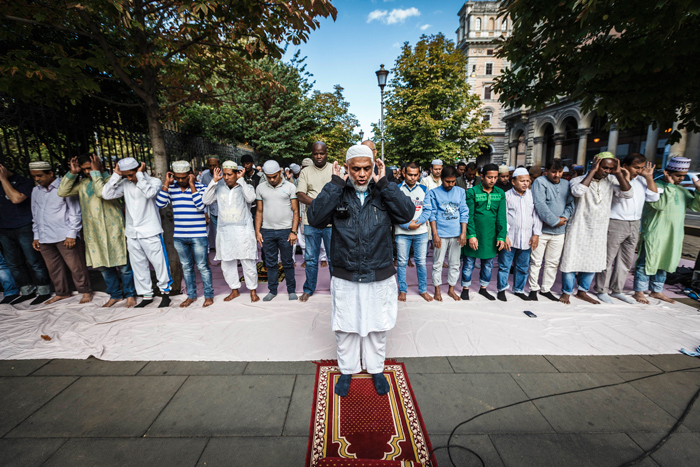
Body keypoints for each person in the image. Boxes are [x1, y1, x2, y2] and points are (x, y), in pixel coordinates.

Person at [307, 145, 414, 397]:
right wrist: (334, 184)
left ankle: (376, 368)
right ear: (347, 169)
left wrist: (385, 184)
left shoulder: (384, 191)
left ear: (374, 167)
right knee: (346, 325)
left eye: (367, 168)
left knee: (377, 325)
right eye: (356, 169)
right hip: (346, 273)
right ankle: (347, 370)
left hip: (379, 272)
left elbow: (406, 214)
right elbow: (315, 218)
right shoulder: (337, 191)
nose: (362, 174)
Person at [59, 153, 136, 308]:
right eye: (85, 169)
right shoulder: (82, 184)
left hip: (114, 229)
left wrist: (96, 173)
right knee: (103, 267)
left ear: (99, 164)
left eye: (90, 168)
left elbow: (101, 192)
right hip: (93, 232)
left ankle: (130, 295)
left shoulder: (112, 180)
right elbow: (62, 192)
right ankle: (115, 294)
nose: (88, 172)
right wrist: (73, 172)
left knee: (124, 266)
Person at [558, 153, 632, 304]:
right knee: (570, 259)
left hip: (599, 229)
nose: (607, 171)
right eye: (604, 167)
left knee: (593, 261)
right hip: (578, 226)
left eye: (611, 169)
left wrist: (618, 173)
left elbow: (628, 194)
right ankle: (566, 291)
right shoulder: (577, 180)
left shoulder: (611, 181)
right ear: (595, 165)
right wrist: (591, 172)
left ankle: (582, 291)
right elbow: (578, 192)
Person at [102, 157, 172, 308]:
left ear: (138, 169)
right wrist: (116, 175)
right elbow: (106, 194)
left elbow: (149, 194)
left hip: (150, 231)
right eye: (125, 175)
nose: (128, 178)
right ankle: (147, 295)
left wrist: (139, 176)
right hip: (132, 232)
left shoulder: (153, 182)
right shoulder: (125, 183)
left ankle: (165, 294)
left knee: (159, 264)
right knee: (138, 265)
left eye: (130, 174)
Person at [633, 156, 700, 304]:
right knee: (647, 261)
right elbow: (659, 206)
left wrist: (699, 190)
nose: (681, 179)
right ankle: (639, 291)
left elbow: (696, 207)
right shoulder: (654, 186)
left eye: (683, 176)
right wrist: (669, 186)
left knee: (665, 261)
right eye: (678, 176)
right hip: (655, 232)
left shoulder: (682, 190)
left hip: (673, 234)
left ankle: (656, 291)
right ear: (667, 173)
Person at [594, 155, 659, 304]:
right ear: (624, 165)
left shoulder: (642, 180)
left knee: (626, 260)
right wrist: (626, 176)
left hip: (635, 223)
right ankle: (602, 290)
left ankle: (617, 290)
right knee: (608, 259)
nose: (640, 170)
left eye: (642, 167)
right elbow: (624, 194)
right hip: (615, 222)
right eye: (636, 167)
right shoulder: (614, 180)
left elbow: (654, 198)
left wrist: (648, 177)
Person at [29, 161, 93, 305]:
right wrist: (36, 236)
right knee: (53, 268)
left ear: (50, 173)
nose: (37, 179)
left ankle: (85, 291)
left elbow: (75, 212)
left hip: (64, 235)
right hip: (44, 236)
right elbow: (35, 214)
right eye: (34, 177)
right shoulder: (36, 191)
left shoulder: (65, 187)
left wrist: (72, 234)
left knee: (76, 266)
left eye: (39, 175)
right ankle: (62, 292)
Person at [156, 160, 214, 308]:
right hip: (179, 236)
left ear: (190, 174)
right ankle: (191, 296)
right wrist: (166, 184)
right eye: (178, 177)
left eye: (184, 177)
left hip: (198, 235)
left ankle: (208, 295)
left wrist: (192, 185)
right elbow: (160, 204)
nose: (180, 180)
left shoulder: (201, 187)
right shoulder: (172, 188)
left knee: (202, 266)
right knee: (187, 267)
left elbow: (200, 206)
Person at [203, 161, 260, 302]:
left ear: (236, 174)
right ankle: (234, 290)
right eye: (224, 174)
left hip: (243, 231)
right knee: (227, 263)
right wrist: (214, 181)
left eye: (230, 174)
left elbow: (251, 198)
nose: (226, 177)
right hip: (225, 233)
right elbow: (206, 200)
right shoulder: (219, 188)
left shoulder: (247, 187)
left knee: (248, 262)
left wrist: (242, 181)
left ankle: (253, 290)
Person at [0, 162, 51, 305]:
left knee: (34, 260)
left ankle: (44, 290)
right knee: (14, 263)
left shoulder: (24, 182)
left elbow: (16, 199)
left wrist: (3, 179)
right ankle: (27, 291)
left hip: (24, 226)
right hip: (4, 228)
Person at [528, 159, 575, 301]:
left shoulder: (566, 184)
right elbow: (539, 205)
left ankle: (545, 289)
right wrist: (555, 221)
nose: (557, 175)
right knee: (536, 262)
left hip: (559, 232)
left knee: (552, 263)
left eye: (560, 172)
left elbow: (571, 204)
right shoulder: (540, 182)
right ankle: (533, 289)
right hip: (541, 231)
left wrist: (564, 218)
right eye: (553, 171)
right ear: (546, 171)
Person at [461, 163, 507, 301]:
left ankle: (483, 288)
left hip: (491, 235)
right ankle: (465, 288)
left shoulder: (500, 193)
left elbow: (502, 217)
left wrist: (501, 236)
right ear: (481, 176)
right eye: (489, 177)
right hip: (475, 234)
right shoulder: (472, 192)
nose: (492, 180)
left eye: (495, 177)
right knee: (468, 263)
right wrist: (471, 235)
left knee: (487, 265)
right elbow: (469, 215)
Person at [255, 160, 300, 301]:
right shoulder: (261, 188)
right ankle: (272, 290)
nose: (272, 179)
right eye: (269, 177)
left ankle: (291, 290)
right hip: (267, 231)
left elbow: (295, 210)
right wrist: (257, 232)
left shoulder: (290, 187)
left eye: (274, 176)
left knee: (287, 262)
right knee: (270, 263)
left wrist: (293, 232)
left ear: (280, 172)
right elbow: (259, 212)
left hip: (286, 231)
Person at [497, 168, 542, 301]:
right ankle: (502, 289)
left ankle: (519, 289)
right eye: (522, 181)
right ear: (513, 181)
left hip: (527, 238)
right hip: (510, 238)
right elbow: (502, 217)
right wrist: (504, 235)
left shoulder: (532, 196)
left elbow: (536, 216)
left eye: (527, 181)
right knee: (504, 265)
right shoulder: (506, 196)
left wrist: (536, 234)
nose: (525, 183)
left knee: (523, 267)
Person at [296, 142, 333, 302]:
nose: (319, 156)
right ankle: (309, 289)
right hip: (311, 222)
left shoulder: (334, 169)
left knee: (333, 258)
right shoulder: (306, 172)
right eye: (316, 154)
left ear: (326, 153)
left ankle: (337, 289)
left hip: (332, 222)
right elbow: (300, 195)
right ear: (312, 154)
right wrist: (321, 203)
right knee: (311, 258)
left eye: (322, 153)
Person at [426, 165, 469, 301]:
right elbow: (432, 215)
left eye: (453, 181)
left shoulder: (461, 192)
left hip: (456, 234)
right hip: (441, 234)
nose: (450, 184)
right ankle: (437, 289)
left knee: (455, 263)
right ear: (441, 179)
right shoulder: (433, 193)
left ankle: (451, 289)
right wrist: (435, 235)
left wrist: (463, 233)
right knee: (437, 263)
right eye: (447, 181)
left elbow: (464, 212)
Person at [395, 162, 433, 302]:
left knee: (421, 262)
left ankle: (423, 290)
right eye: (409, 174)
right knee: (401, 262)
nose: (412, 178)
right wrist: (406, 225)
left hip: (420, 232)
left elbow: (428, 210)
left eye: (415, 175)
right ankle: (403, 290)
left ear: (419, 175)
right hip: (402, 232)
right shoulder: (397, 189)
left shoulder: (424, 189)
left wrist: (416, 223)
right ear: (404, 173)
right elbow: (394, 211)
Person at [200, 156, 221, 240]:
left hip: (225, 210)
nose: (212, 168)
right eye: (210, 166)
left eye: (214, 165)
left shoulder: (226, 174)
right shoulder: (205, 176)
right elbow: (204, 194)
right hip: (212, 210)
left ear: (219, 164)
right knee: (217, 234)